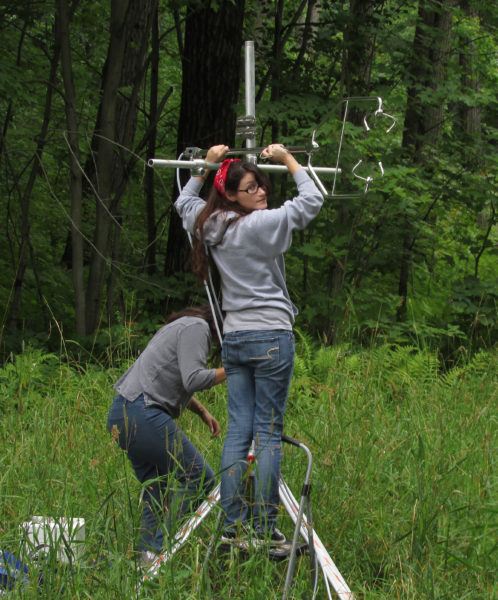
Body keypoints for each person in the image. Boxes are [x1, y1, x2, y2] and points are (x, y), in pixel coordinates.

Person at [174, 144, 324, 547]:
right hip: (271, 335)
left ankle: (231, 527)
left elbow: (184, 201)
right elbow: (311, 201)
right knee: (269, 433)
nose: (261, 193)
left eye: (261, 185)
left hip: (236, 340)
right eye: (251, 187)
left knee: (239, 432)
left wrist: (206, 164)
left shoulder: (212, 223)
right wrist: (289, 161)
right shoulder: (259, 225)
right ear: (233, 195)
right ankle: (262, 529)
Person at [107, 305, 226, 563]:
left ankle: (144, 562)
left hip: (121, 413)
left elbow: (167, 375)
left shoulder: (182, 324)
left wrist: (201, 410)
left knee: (156, 489)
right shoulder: (198, 328)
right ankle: (161, 551)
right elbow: (193, 379)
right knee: (199, 477)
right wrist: (236, 368)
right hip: (142, 412)